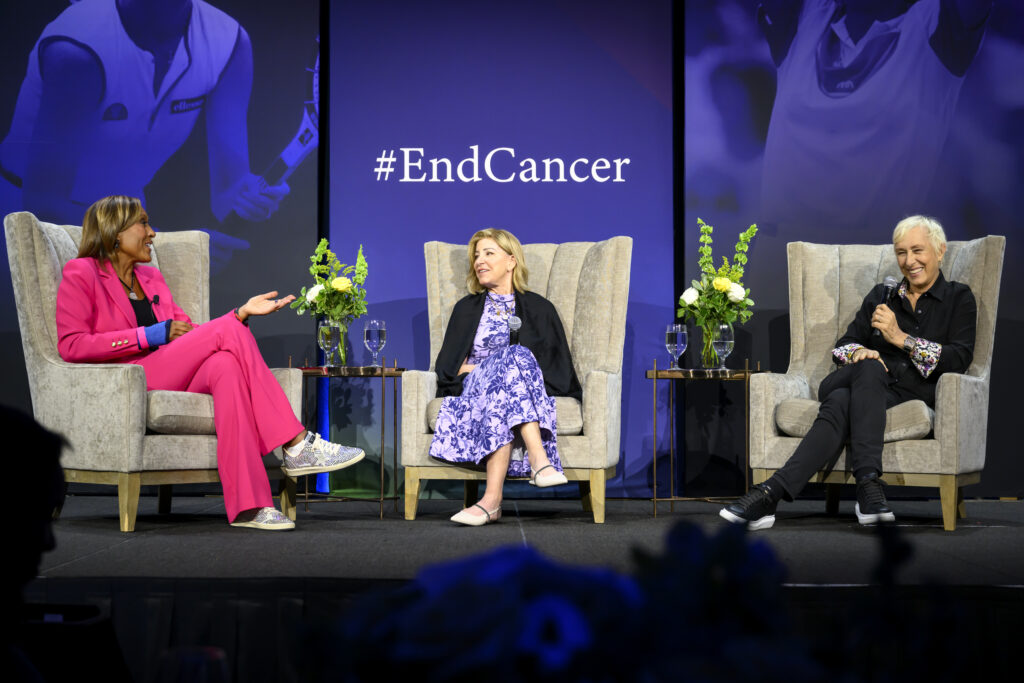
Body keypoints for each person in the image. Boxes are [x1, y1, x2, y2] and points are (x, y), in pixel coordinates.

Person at [55, 195, 362, 531]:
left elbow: (192, 334)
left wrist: (239, 317)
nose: (152, 233)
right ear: (115, 231)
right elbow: (71, 345)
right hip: (129, 377)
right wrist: (149, 335)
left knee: (226, 364)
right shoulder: (82, 272)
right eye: (143, 223)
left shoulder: (152, 278)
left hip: (169, 367)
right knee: (228, 334)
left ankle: (250, 507)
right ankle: (295, 442)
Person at [721, 215, 977, 529]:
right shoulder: (882, 297)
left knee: (841, 404)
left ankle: (769, 494)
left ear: (940, 251)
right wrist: (859, 351)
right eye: (901, 252)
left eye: (917, 250)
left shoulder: (958, 298)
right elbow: (844, 345)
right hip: (854, 378)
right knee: (867, 368)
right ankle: (868, 484)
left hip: (902, 394)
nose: (909, 261)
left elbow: (960, 358)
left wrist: (902, 339)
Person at [0, 0, 287, 225]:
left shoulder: (232, 43)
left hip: (128, 220)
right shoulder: (77, 50)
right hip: (24, 217)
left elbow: (227, 194)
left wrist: (248, 198)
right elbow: (44, 205)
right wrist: (156, 245)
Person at [430, 229, 582, 527]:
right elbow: (450, 369)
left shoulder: (540, 308)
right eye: (476, 255)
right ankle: (540, 463)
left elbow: (557, 367)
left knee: (517, 360)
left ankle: (491, 501)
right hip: (474, 388)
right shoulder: (466, 309)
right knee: (514, 357)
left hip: (520, 390)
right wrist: (496, 366)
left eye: (488, 253)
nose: (479, 261)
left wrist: (508, 369)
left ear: (511, 261)